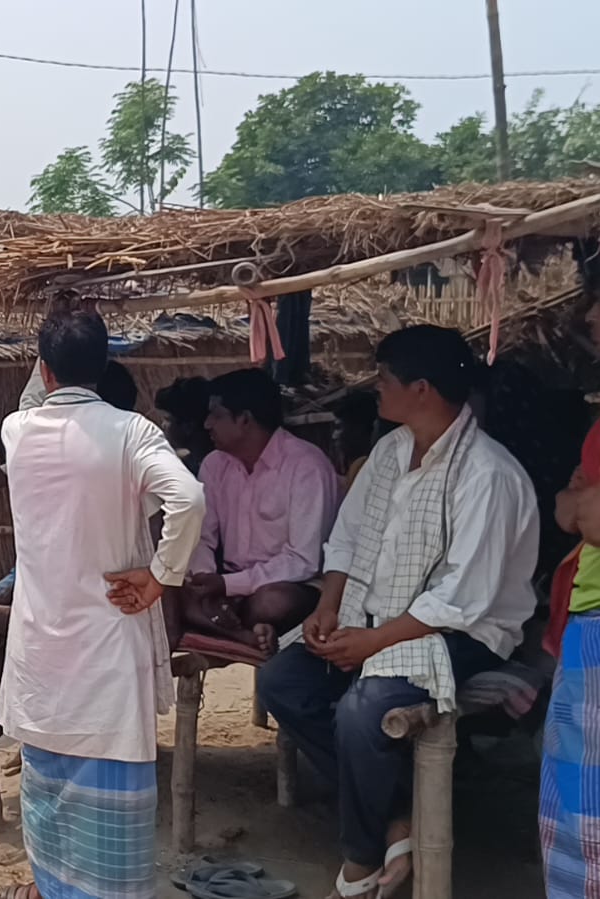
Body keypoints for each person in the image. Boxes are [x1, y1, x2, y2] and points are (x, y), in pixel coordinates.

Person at [257, 325, 539, 899]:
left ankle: (360, 861)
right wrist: (329, 607)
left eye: (384, 379)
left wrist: (373, 642)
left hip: (465, 631)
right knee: (282, 680)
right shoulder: (389, 451)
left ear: (422, 389)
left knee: (364, 711)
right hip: (377, 616)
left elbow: (463, 597)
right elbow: (347, 538)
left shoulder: (488, 474)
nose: (375, 388)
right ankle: (397, 816)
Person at [0, 308, 203, 899]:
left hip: (41, 650)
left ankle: (50, 888)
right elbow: (188, 499)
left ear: (43, 369)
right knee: (109, 807)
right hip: (110, 643)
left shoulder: (16, 430)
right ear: (106, 365)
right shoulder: (132, 432)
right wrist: (160, 577)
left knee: (47, 792)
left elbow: (35, 400)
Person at [0, 359, 138, 769]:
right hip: (38, 575)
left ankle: (33, 740)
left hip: (80, 589)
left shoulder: (114, 465)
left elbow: (84, 573)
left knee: (27, 634)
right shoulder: (51, 450)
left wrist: (17, 613)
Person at [166, 368, 340, 661]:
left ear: (244, 419)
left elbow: (304, 561)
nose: (207, 424)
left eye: (216, 415)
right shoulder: (214, 464)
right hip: (227, 583)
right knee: (169, 594)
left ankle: (228, 623)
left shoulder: (306, 466)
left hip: (294, 584)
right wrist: (205, 580)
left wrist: (228, 585)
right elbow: (202, 536)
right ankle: (244, 633)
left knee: (271, 603)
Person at [542, 297, 600, 898]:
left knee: (588, 806)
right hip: (585, 617)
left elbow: (590, 515)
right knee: (573, 800)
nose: (591, 319)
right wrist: (579, 506)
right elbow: (569, 509)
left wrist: (580, 505)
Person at [153, 376, 215, 475]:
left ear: (188, 426)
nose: (163, 425)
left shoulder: (212, 469)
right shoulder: (189, 462)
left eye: (167, 420)